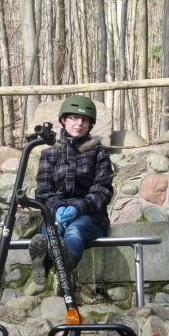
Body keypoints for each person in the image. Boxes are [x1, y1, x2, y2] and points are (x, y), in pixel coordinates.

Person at [29, 95, 115, 285]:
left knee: (74, 231)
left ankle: (61, 262)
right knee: (50, 235)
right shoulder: (49, 154)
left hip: (91, 217)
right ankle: (43, 261)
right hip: (54, 215)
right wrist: (57, 209)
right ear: (63, 120)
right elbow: (43, 192)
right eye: (74, 118)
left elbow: (102, 191)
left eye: (84, 120)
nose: (79, 123)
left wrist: (78, 208)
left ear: (90, 125)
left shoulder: (99, 152)